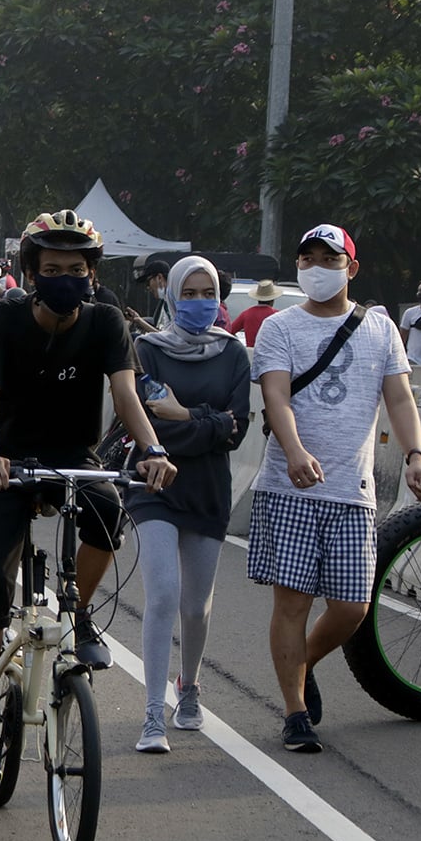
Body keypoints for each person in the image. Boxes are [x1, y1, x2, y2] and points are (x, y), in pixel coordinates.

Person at [0, 210, 176, 783]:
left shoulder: (105, 322)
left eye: (76, 269)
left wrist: (152, 449)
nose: (65, 279)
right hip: (6, 462)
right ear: (31, 273)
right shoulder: (1, 318)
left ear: (92, 273)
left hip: (73, 457)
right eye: (52, 270)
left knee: (108, 510)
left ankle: (78, 612)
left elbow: (125, 395)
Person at [248, 224, 421, 753]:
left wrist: (416, 455)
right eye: (307, 259)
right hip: (290, 488)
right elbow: (276, 398)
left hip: (353, 491)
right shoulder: (280, 326)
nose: (316, 268)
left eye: (329, 259)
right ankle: (295, 713)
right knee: (293, 604)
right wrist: (295, 450)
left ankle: (300, 664)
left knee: (353, 607)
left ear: (351, 268)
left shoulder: (380, 329)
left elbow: (400, 399)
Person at [127, 256, 251, 753]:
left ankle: (190, 685)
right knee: (162, 595)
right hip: (154, 485)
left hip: (208, 490)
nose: (200, 302)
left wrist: (184, 415)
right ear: (173, 295)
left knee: (195, 608)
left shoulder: (233, 353)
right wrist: (206, 421)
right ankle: (152, 714)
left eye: (209, 294)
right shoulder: (148, 349)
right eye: (190, 293)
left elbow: (236, 429)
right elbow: (151, 423)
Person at [230, 279, 282, 347]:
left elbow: (230, 331)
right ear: (272, 299)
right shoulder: (277, 315)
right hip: (271, 351)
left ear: (258, 298)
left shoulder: (247, 314)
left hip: (251, 351)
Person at [125, 259, 171, 334]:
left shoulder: (173, 302)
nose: (148, 287)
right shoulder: (165, 301)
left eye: (148, 282)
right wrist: (138, 320)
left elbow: (168, 338)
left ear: (159, 278)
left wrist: (139, 321)